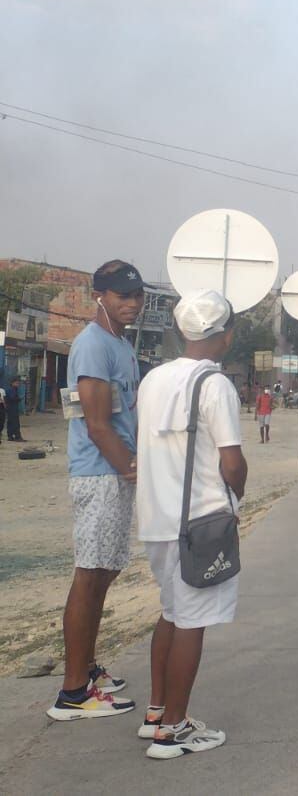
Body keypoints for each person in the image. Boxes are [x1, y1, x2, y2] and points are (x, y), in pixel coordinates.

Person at [134, 290, 244, 759]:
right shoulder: (215, 385)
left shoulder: (153, 379)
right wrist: (233, 500)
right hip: (200, 524)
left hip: (157, 520)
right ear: (226, 335)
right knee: (192, 622)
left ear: (181, 330)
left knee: (172, 612)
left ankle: (157, 712)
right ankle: (173, 730)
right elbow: (232, 462)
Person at [47, 260, 145, 722]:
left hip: (115, 472)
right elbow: (97, 422)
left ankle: (86, 670)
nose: (132, 304)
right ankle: (72, 694)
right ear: (99, 296)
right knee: (89, 575)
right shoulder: (91, 345)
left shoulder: (121, 344)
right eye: (122, 295)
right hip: (100, 473)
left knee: (104, 572)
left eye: (137, 296)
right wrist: (129, 468)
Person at [6, 375, 23, 441]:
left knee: (10, 422)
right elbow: (12, 398)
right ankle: (17, 436)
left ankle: (10, 436)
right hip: (12, 408)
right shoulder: (11, 389)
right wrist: (18, 399)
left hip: (11, 408)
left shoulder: (13, 389)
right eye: (17, 383)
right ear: (12, 383)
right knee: (15, 422)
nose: (18, 384)